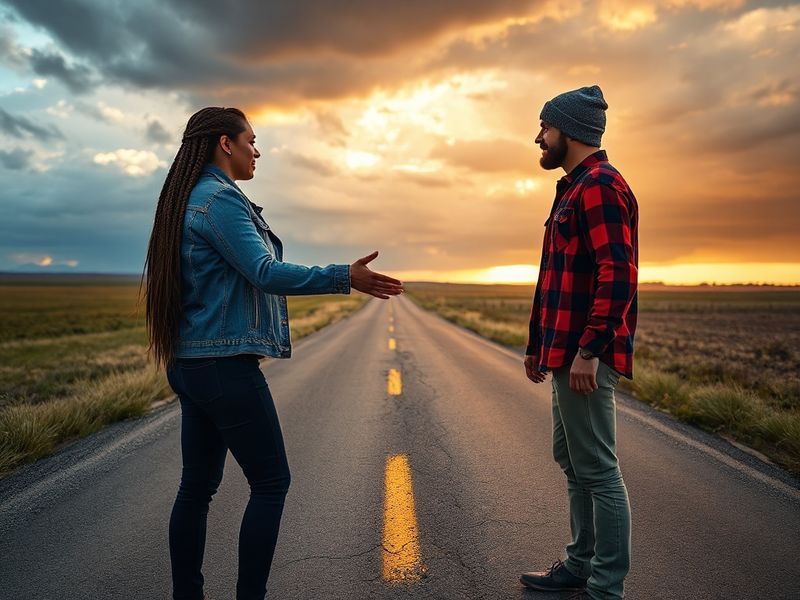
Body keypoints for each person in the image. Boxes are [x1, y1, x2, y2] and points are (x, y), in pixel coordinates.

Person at [143, 106, 404, 600]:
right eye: (252, 141)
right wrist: (342, 276)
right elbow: (263, 271)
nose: (257, 151)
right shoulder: (220, 199)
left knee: (196, 490)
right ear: (225, 143)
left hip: (192, 363)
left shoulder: (188, 199)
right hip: (223, 367)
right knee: (271, 482)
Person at [519, 86, 638, 600]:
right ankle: (579, 564)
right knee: (572, 460)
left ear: (567, 131)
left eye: (544, 129)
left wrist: (590, 350)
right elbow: (554, 278)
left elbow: (619, 274)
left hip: (585, 356)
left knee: (599, 471)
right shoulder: (572, 186)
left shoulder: (600, 186)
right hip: (564, 352)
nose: (538, 138)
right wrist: (536, 345)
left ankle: (605, 589)